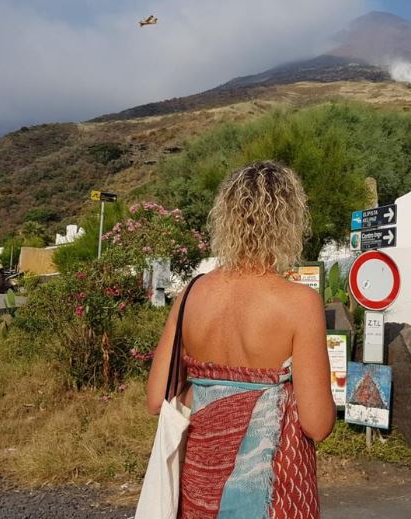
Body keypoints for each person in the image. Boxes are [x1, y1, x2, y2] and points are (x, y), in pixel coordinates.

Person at [145, 161, 335, 518]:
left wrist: (214, 396)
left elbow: (158, 399)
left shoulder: (191, 294)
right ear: (289, 222)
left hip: (200, 493)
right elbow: (318, 424)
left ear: (225, 218)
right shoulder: (300, 303)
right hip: (274, 494)